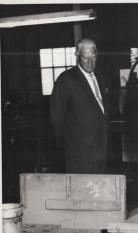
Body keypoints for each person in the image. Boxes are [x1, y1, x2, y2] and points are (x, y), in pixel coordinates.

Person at [50, 38, 109, 174]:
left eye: (93, 57)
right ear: (77, 55)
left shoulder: (99, 76)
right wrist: (67, 146)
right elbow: (56, 117)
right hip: (78, 153)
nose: (90, 62)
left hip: (100, 150)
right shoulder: (66, 79)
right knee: (82, 193)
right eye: (86, 57)